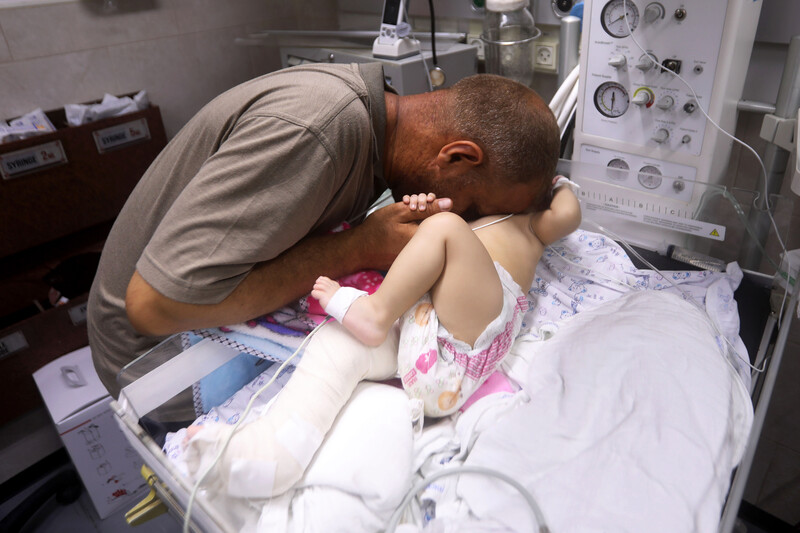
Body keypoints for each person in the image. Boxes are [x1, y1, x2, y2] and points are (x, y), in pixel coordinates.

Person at [87, 63, 560, 420]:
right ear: (456, 156)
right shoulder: (318, 132)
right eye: (474, 210)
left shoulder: (379, 127)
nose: (470, 226)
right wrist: (359, 248)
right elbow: (154, 307)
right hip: (157, 358)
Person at [182, 179, 580, 499]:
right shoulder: (473, 213)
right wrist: (424, 212)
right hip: (421, 334)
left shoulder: (531, 224)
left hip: (474, 330)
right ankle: (270, 457)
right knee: (338, 344)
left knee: (445, 229)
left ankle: (374, 312)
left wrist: (556, 182)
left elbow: (568, 213)